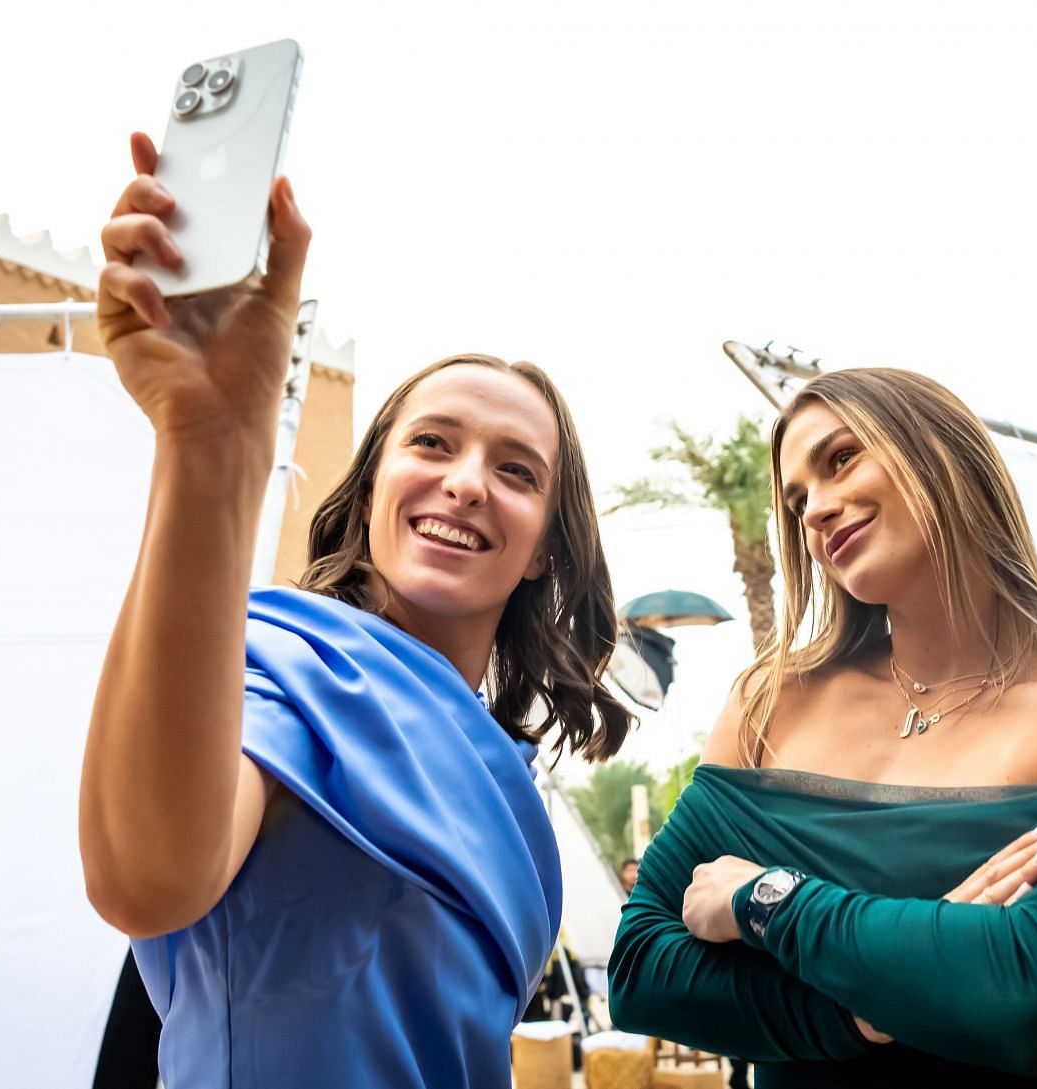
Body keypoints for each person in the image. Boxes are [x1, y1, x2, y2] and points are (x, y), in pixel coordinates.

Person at [78, 133, 632, 1088]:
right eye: (432, 443)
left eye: (514, 470)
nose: (465, 483)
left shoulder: (504, 774)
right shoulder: (287, 674)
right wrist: (210, 442)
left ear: (545, 545)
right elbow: (147, 876)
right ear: (375, 485)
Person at [609, 368, 1037, 1087]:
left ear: (945, 454)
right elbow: (641, 968)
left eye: (840, 459)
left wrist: (768, 898)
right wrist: (869, 1012)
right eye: (797, 498)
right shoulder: (769, 704)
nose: (815, 511)